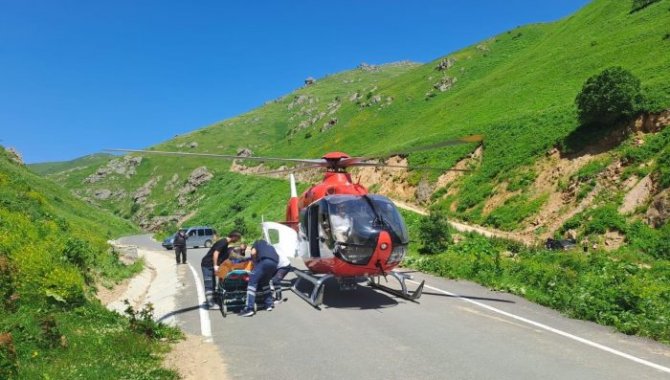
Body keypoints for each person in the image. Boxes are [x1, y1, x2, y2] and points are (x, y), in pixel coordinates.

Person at [200, 231, 242, 310]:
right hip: (207, 264)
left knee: (213, 283)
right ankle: (211, 304)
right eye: (237, 238)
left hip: (210, 265)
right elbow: (216, 253)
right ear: (234, 237)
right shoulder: (223, 242)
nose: (237, 240)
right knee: (209, 284)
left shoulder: (225, 244)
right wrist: (215, 265)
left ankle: (211, 300)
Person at [239, 239, 279, 317]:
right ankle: (269, 304)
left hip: (265, 262)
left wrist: (255, 263)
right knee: (265, 282)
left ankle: (249, 309)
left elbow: (253, 252)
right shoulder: (269, 245)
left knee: (252, 281)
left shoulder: (257, 242)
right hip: (275, 264)